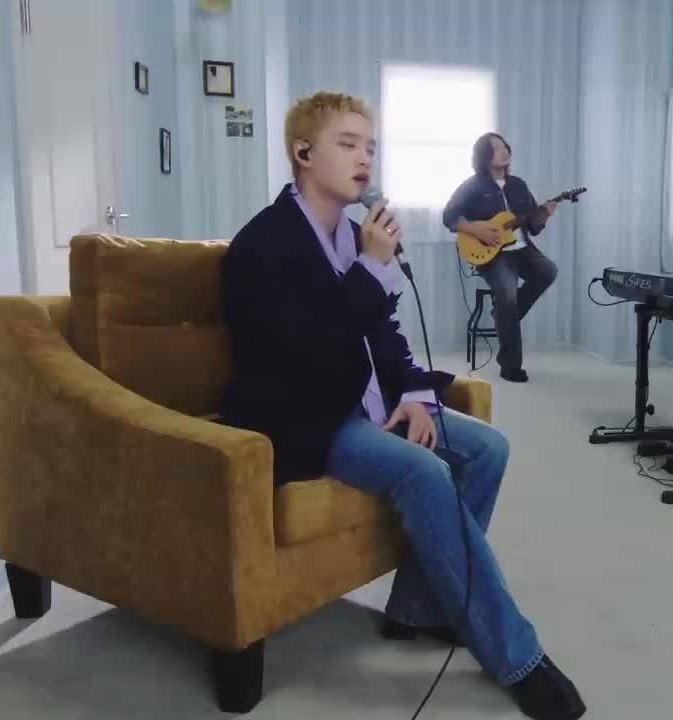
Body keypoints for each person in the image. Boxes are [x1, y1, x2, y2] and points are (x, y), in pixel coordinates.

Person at [218, 91, 585, 720]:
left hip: (364, 399)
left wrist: (413, 393)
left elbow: (382, 332)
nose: (365, 158)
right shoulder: (262, 246)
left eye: (370, 146)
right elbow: (306, 354)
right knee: (424, 470)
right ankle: (517, 656)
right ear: (303, 153)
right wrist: (370, 268)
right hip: (305, 414)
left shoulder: (353, 235)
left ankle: (418, 610)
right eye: (347, 144)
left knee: (488, 448)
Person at [443, 133, 559, 383]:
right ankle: (511, 366)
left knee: (548, 271)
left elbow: (533, 226)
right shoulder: (472, 186)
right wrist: (478, 230)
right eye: (497, 148)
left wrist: (544, 214)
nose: (504, 150)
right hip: (492, 254)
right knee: (507, 292)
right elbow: (449, 216)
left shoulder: (519, 185)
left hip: (522, 249)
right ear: (484, 156)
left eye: (505, 146)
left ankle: (504, 315)